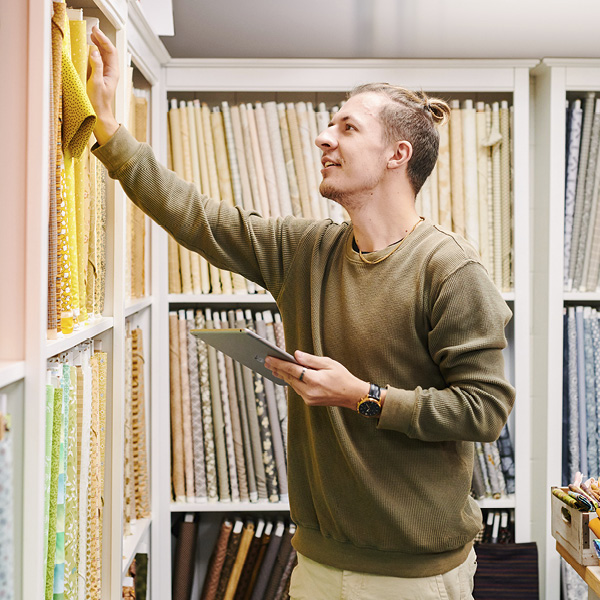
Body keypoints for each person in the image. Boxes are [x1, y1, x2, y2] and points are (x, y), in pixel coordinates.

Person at [88, 26, 515, 600]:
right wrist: (109, 127)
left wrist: (361, 395)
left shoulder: (451, 270)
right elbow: (199, 218)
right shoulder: (306, 251)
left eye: (347, 127)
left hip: (415, 578)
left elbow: (485, 411)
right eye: (328, 124)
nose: (322, 138)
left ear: (397, 155)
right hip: (315, 563)